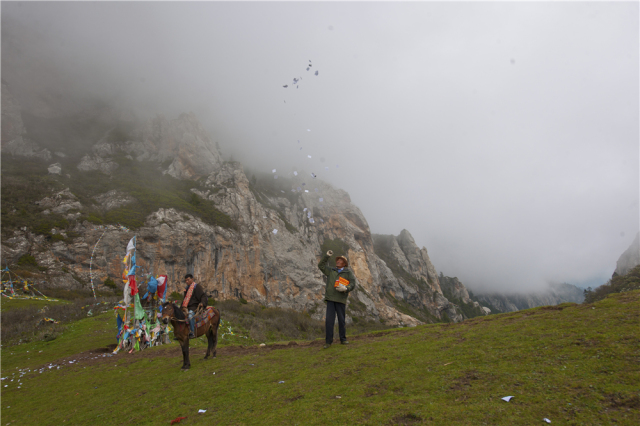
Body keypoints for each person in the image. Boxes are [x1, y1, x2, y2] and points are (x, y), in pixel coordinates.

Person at [318, 250, 357, 348]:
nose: (338, 261)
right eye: (338, 260)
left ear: (344, 263)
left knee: (341, 320)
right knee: (329, 321)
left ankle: (343, 339)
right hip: (331, 299)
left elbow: (353, 284)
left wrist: (346, 288)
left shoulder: (348, 273)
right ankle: (328, 342)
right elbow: (320, 266)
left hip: (341, 299)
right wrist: (326, 256)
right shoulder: (331, 271)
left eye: (340, 260)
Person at [181, 274, 208, 339]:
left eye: (188, 280)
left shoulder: (197, 287)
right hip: (186, 307)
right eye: (186, 280)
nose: (187, 281)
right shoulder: (186, 288)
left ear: (192, 279)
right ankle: (180, 333)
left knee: (190, 316)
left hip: (194, 307)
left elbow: (203, 296)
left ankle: (192, 332)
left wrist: (202, 303)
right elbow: (185, 299)